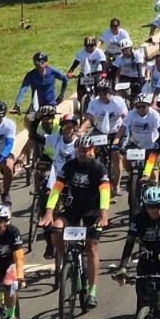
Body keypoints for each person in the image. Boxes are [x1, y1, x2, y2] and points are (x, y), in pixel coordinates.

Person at [40, 132, 110, 308]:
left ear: (91, 150)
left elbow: (104, 192)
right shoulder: (69, 166)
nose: (82, 154)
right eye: (79, 151)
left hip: (93, 212)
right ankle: (64, 259)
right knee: (55, 229)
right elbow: (56, 189)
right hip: (73, 209)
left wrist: (103, 214)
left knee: (91, 247)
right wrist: (48, 212)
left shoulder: (98, 168)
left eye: (85, 151)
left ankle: (92, 291)